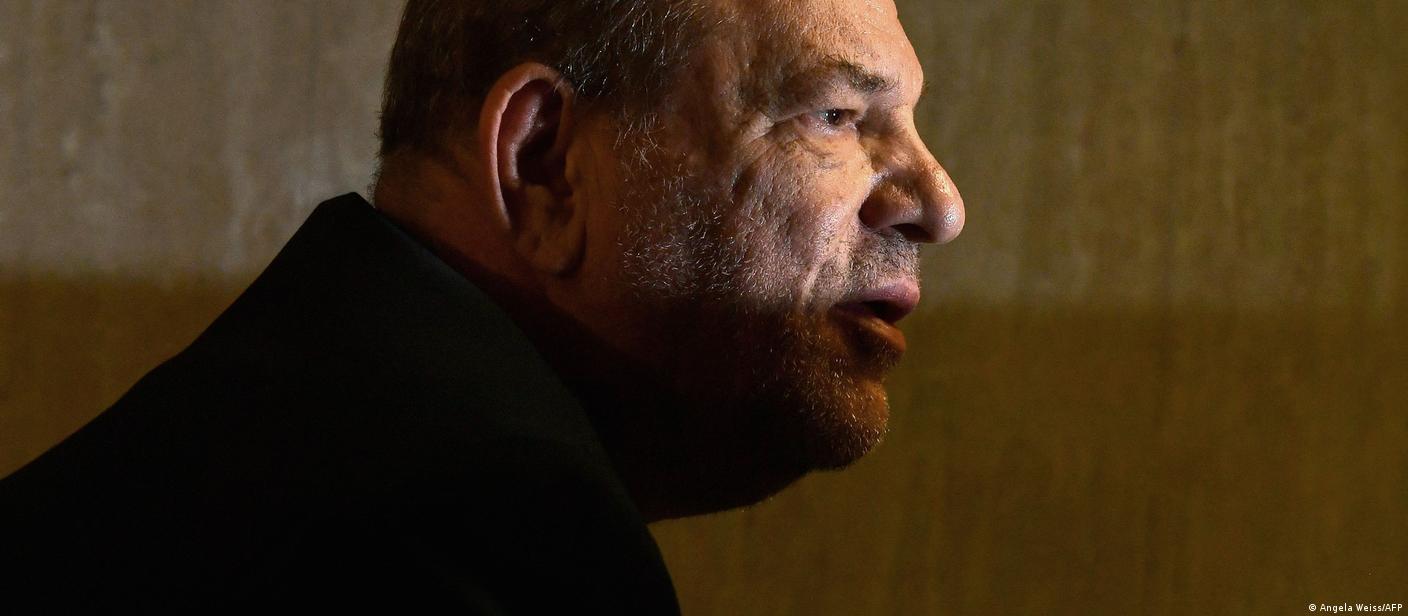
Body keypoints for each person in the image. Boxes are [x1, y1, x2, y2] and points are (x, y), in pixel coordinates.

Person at [0, 0, 963, 612]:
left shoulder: (273, 434)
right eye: (836, 116)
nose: (940, 204)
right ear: (543, 165)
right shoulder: (481, 530)